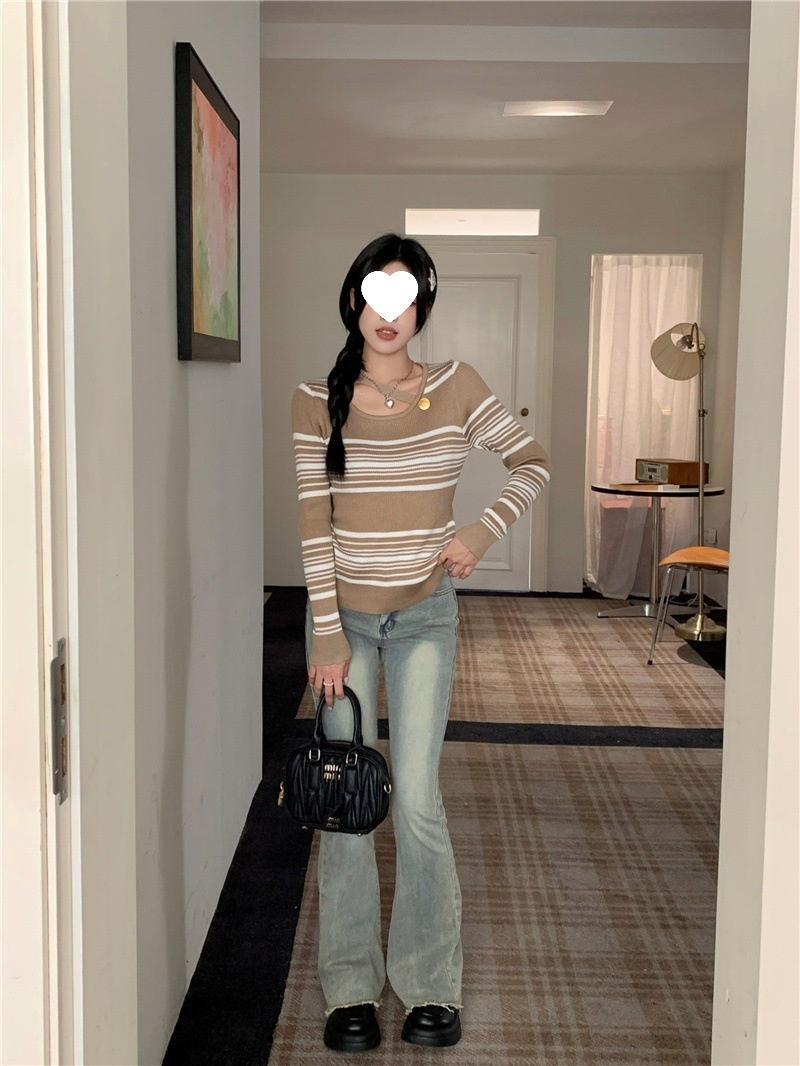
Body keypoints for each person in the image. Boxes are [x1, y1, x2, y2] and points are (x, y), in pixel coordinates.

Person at [291, 233, 551, 1052]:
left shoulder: (456, 385)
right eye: (376, 294)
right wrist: (324, 633)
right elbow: (313, 523)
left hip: (424, 617)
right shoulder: (315, 399)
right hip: (344, 625)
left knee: (415, 798)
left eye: (404, 298)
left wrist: (481, 530)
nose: (388, 314)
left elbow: (532, 462)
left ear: (423, 308)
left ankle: (430, 981)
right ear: (354, 301)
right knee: (347, 801)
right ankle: (349, 988)